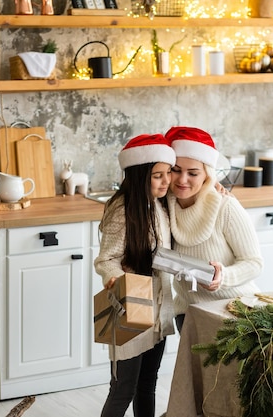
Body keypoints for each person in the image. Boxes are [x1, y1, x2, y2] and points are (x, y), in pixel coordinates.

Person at [94, 133, 177, 417]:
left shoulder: (162, 203)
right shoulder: (122, 209)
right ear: (140, 174)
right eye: (158, 175)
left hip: (158, 307)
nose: (167, 181)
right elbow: (106, 259)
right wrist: (117, 280)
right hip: (131, 302)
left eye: (168, 173)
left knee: (147, 383)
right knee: (123, 388)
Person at [164, 126, 263, 332]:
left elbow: (254, 263)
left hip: (236, 311)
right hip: (189, 313)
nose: (182, 180)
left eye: (193, 173)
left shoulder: (225, 206)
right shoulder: (163, 205)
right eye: (176, 170)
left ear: (207, 175)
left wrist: (223, 276)